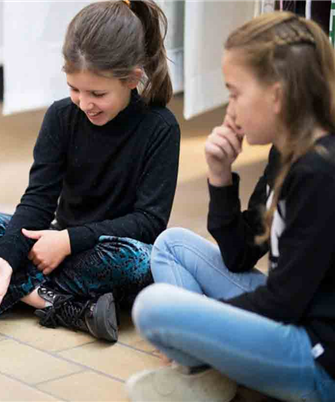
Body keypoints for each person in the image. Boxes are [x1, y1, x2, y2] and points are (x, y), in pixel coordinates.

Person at [0, 0, 180, 342]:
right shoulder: (60, 117)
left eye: (98, 93)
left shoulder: (161, 128)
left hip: (106, 250)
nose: (85, 103)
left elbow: (149, 222)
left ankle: (7, 290)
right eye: (74, 89)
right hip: (52, 243)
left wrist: (68, 241)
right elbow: (38, 200)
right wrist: (6, 259)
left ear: (132, 78)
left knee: (140, 262)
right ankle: (63, 304)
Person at [128, 11, 335, 402]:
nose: (230, 108)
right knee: (172, 245)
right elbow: (239, 255)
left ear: (277, 95)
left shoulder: (320, 171)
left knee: (153, 307)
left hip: (318, 360)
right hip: (292, 317)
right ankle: (212, 371)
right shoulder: (287, 152)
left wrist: (207, 323)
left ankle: (204, 364)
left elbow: (282, 303)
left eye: (235, 93)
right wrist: (220, 176)